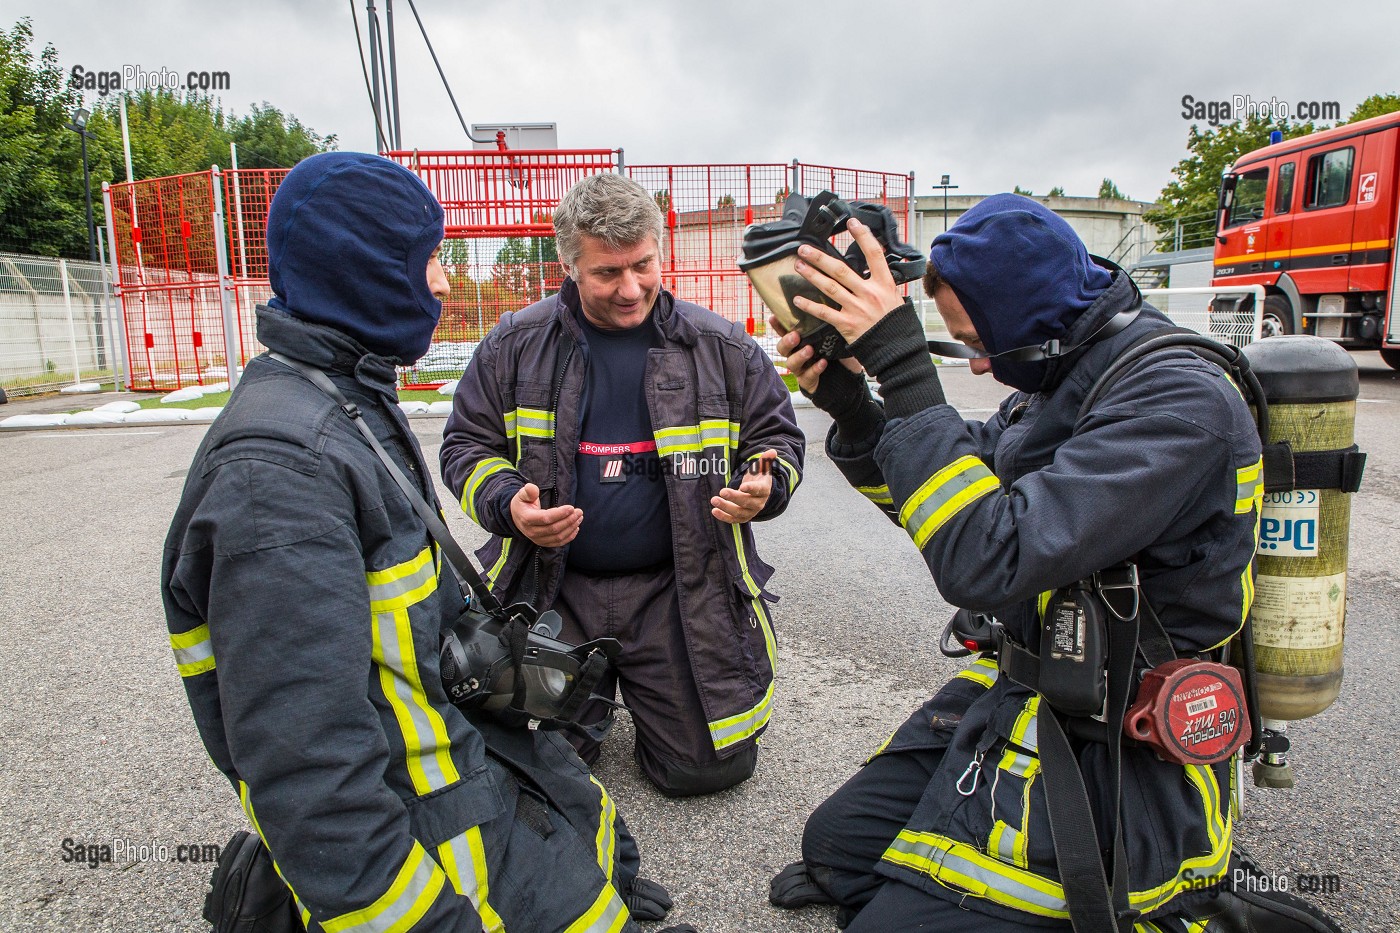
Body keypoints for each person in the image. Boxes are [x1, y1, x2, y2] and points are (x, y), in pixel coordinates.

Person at [768, 194, 1344, 931]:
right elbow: (952, 499)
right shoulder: (1063, 378)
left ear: (1032, 318)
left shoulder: (1174, 401)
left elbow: (985, 555)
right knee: (839, 851)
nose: (976, 362)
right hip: (1032, 680)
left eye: (981, 342)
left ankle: (1190, 902)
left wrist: (905, 367)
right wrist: (856, 406)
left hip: (1117, 729)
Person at [162, 152, 687, 933]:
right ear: (361, 272)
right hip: (419, 787)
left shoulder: (343, 396)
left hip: (457, 739)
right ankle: (275, 899)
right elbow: (312, 775)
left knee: (589, 844)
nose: (442, 283)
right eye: (431, 260)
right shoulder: (279, 476)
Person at [440, 173, 804, 797]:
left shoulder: (721, 347)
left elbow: (779, 442)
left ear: (660, 251)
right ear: (570, 266)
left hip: (677, 592)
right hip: (552, 590)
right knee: (538, 775)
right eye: (608, 273)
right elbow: (465, 447)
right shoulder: (513, 345)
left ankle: (636, 700)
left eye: (643, 265)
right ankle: (589, 707)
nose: (631, 288)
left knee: (704, 771)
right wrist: (508, 504)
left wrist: (763, 488)